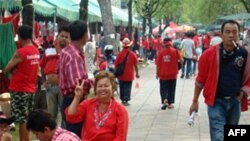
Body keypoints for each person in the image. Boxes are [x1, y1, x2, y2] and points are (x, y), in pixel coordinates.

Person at [189, 20, 250, 141]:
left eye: (234, 32)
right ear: (221, 35)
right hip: (216, 102)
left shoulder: (244, 54)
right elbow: (200, 80)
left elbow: (248, 75)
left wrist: (244, 91)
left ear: (239, 34)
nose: (231, 35)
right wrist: (195, 101)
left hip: (235, 102)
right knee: (218, 136)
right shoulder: (209, 54)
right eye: (227, 32)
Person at [65, 71, 128, 141]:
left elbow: (120, 137)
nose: (103, 89)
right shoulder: (87, 104)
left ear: (113, 88)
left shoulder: (120, 110)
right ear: (95, 89)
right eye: (100, 86)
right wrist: (77, 97)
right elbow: (71, 116)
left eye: (106, 86)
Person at [58, 20, 93, 138]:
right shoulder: (74, 56)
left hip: (67, 100)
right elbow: (78, 84)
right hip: (74, 101)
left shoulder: (66, 51)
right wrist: (95, 81)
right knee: (77, 136)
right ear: (85, 36)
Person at [5, 25, 40, 141]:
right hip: (30, 88)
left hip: (19, 89)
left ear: (21, 37)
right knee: (27, 118)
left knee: (22, 120)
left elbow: (7, 68)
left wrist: (13, 71)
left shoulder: (21, 52)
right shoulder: (36, 51)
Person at [40, 26, 70, 126]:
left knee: (64, 113)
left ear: (69, 40)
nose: (64, 38)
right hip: (50, 86)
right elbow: (42, 67)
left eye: (67, 37)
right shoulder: (48, 51)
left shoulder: (69, 53)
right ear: (57, 37)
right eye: (62, 36)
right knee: (51, 114)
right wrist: (44, 81)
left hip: (64, 87)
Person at [155, 38, 183, 110]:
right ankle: (170, 103)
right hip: (173, 74)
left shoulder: (160, 52)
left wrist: (157, 73)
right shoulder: (175, 51)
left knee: (163, 88)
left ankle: (164, 99)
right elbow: (182, 60)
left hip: (163, 74)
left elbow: (158, 64)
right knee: (171, 89)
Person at [114, 38, 140, 106]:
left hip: (121, 75)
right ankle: (126, 99)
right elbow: (136, 65)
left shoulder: (119, 54)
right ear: (129, 46)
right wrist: (137, 73)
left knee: (122, 87)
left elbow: (116, 65)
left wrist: (116, 73)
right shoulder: (133, 54)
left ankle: (122, 99)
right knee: (128, 87)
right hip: (129, 74)